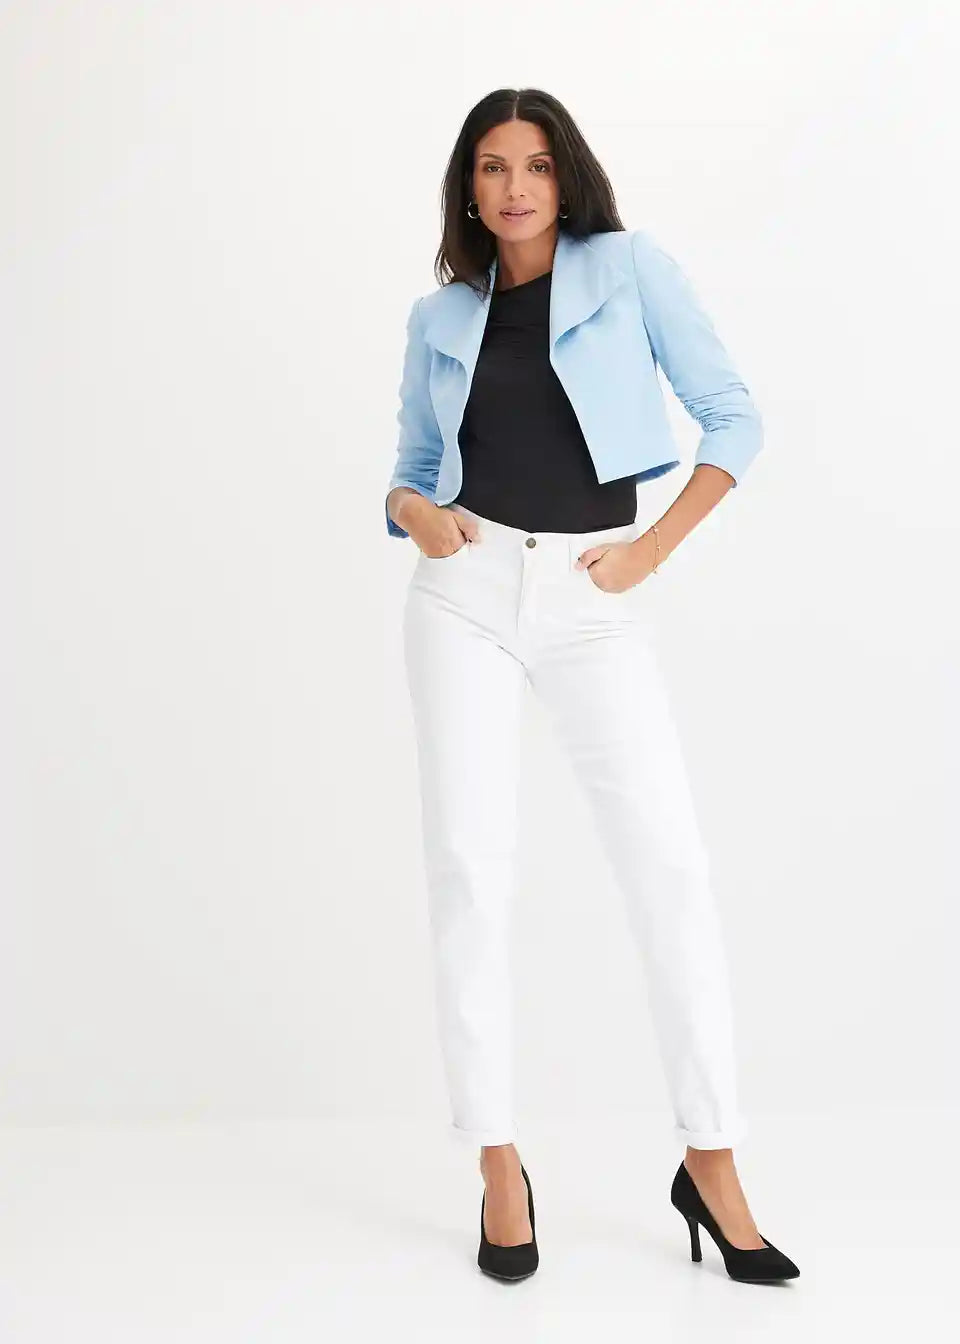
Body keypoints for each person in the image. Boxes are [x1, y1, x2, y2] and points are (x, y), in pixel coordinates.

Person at [385, 87, 799, 1286]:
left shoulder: (631, 270)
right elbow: (409, 468)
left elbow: (734, 421)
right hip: (462, 595)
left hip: (590, 595)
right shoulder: (439, 315)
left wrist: (647, 553)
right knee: (471, 871)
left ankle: (711, 1160)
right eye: (492, 166)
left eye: (536, 164)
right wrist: (415, 513)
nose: (515, 186)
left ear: (566, 177)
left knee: (669, 867)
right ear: (469, 189)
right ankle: (497, 1164)